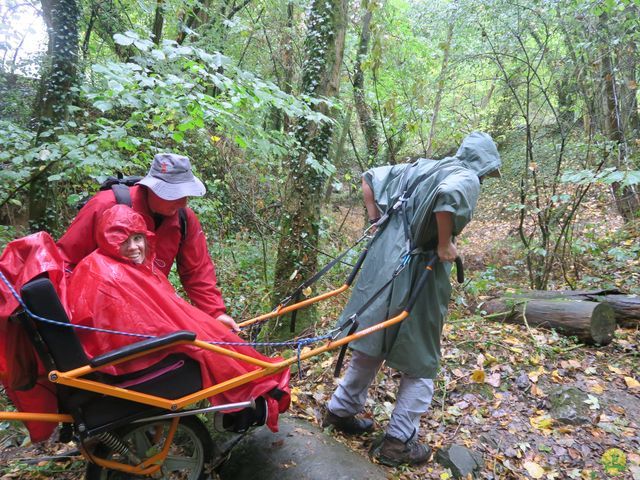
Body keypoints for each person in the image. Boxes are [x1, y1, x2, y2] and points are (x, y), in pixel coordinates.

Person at [322, 132, 502, 466]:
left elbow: (369, 178)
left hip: (382, 263)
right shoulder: (465, 177)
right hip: (417, 270)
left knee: (370, 339)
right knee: (421, 359)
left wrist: (377, 220)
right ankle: (398, 443)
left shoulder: (422, 167)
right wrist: (445, 242)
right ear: (483, 164)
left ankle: (339, 411)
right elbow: (448, 197)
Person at [67, 204, 290, 431]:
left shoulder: (109, 265)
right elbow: (147, 325)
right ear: (108, 241)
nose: (134, 247)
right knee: (211, 348)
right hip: (134, 361)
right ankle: (259, 390)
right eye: (124, 241)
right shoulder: (112, 275)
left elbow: (167, 309)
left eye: (138, 238)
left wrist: (211, 318)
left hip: (135, 352)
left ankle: (251, 388)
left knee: (216, 339)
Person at [57, 153, 238, 331]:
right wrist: (69, 320)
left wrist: (215, 313)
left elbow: (197, 271)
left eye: (186, 195)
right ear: (152, 188)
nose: (182, 202)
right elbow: (66, 262)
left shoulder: (183, 218)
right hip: (101, 316)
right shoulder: (105, 205)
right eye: (174, 194)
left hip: (149, 312)